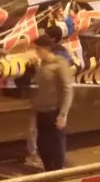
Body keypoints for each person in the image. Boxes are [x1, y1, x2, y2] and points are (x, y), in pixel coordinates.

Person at [25, 12, 75, 168]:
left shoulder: (59, 63)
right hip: (41, 110)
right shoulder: (42, 65)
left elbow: (68, 89)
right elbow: (39, 83)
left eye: (38, 49)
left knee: (56, 144)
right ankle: (48, 170)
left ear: (46, 49)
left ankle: (58, 171)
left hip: (54, 111)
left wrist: (63, 114)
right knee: (43, 143)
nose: (36, 52)